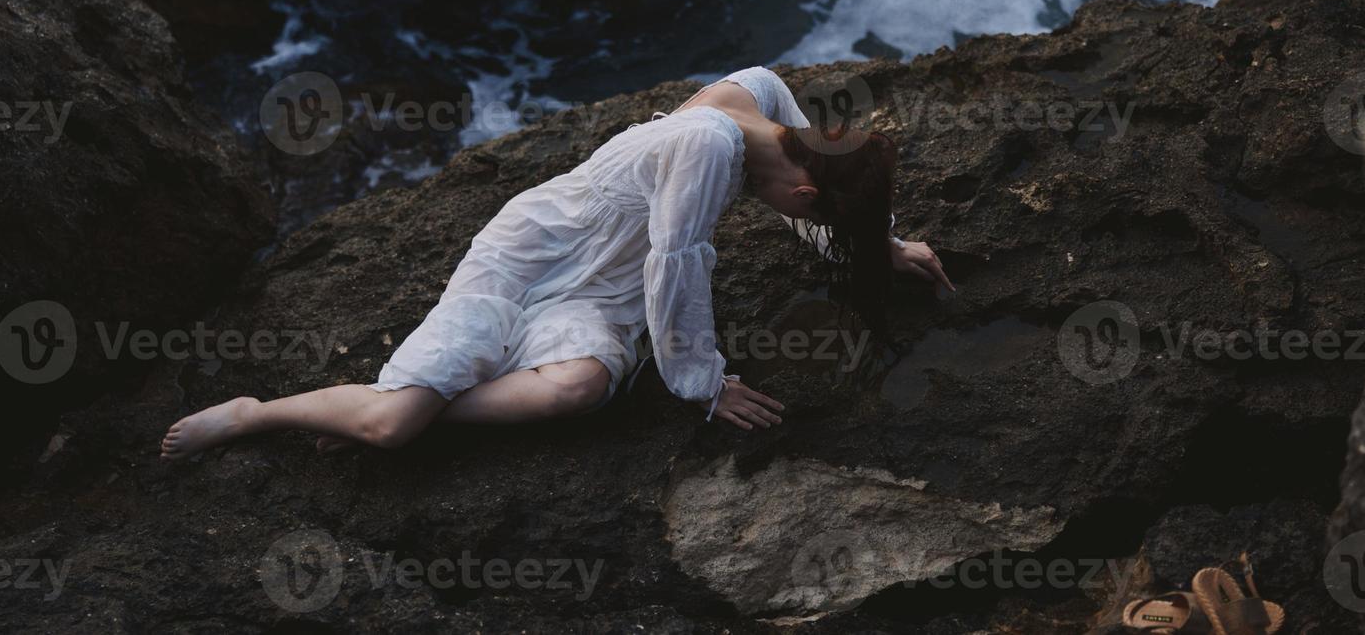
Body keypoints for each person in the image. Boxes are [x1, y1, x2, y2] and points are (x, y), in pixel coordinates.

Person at [160, 67, 953, 459]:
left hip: (600, 286)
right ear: (805, 188)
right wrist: (704, 384)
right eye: (807, 210)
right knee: (388, 427)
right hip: (530, 257)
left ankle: (435, 397)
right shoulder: (708, 142)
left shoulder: (765, 98)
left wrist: (880, 245)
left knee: (580, 389)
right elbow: (676, 267)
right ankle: (257, 413)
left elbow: (821, 197)